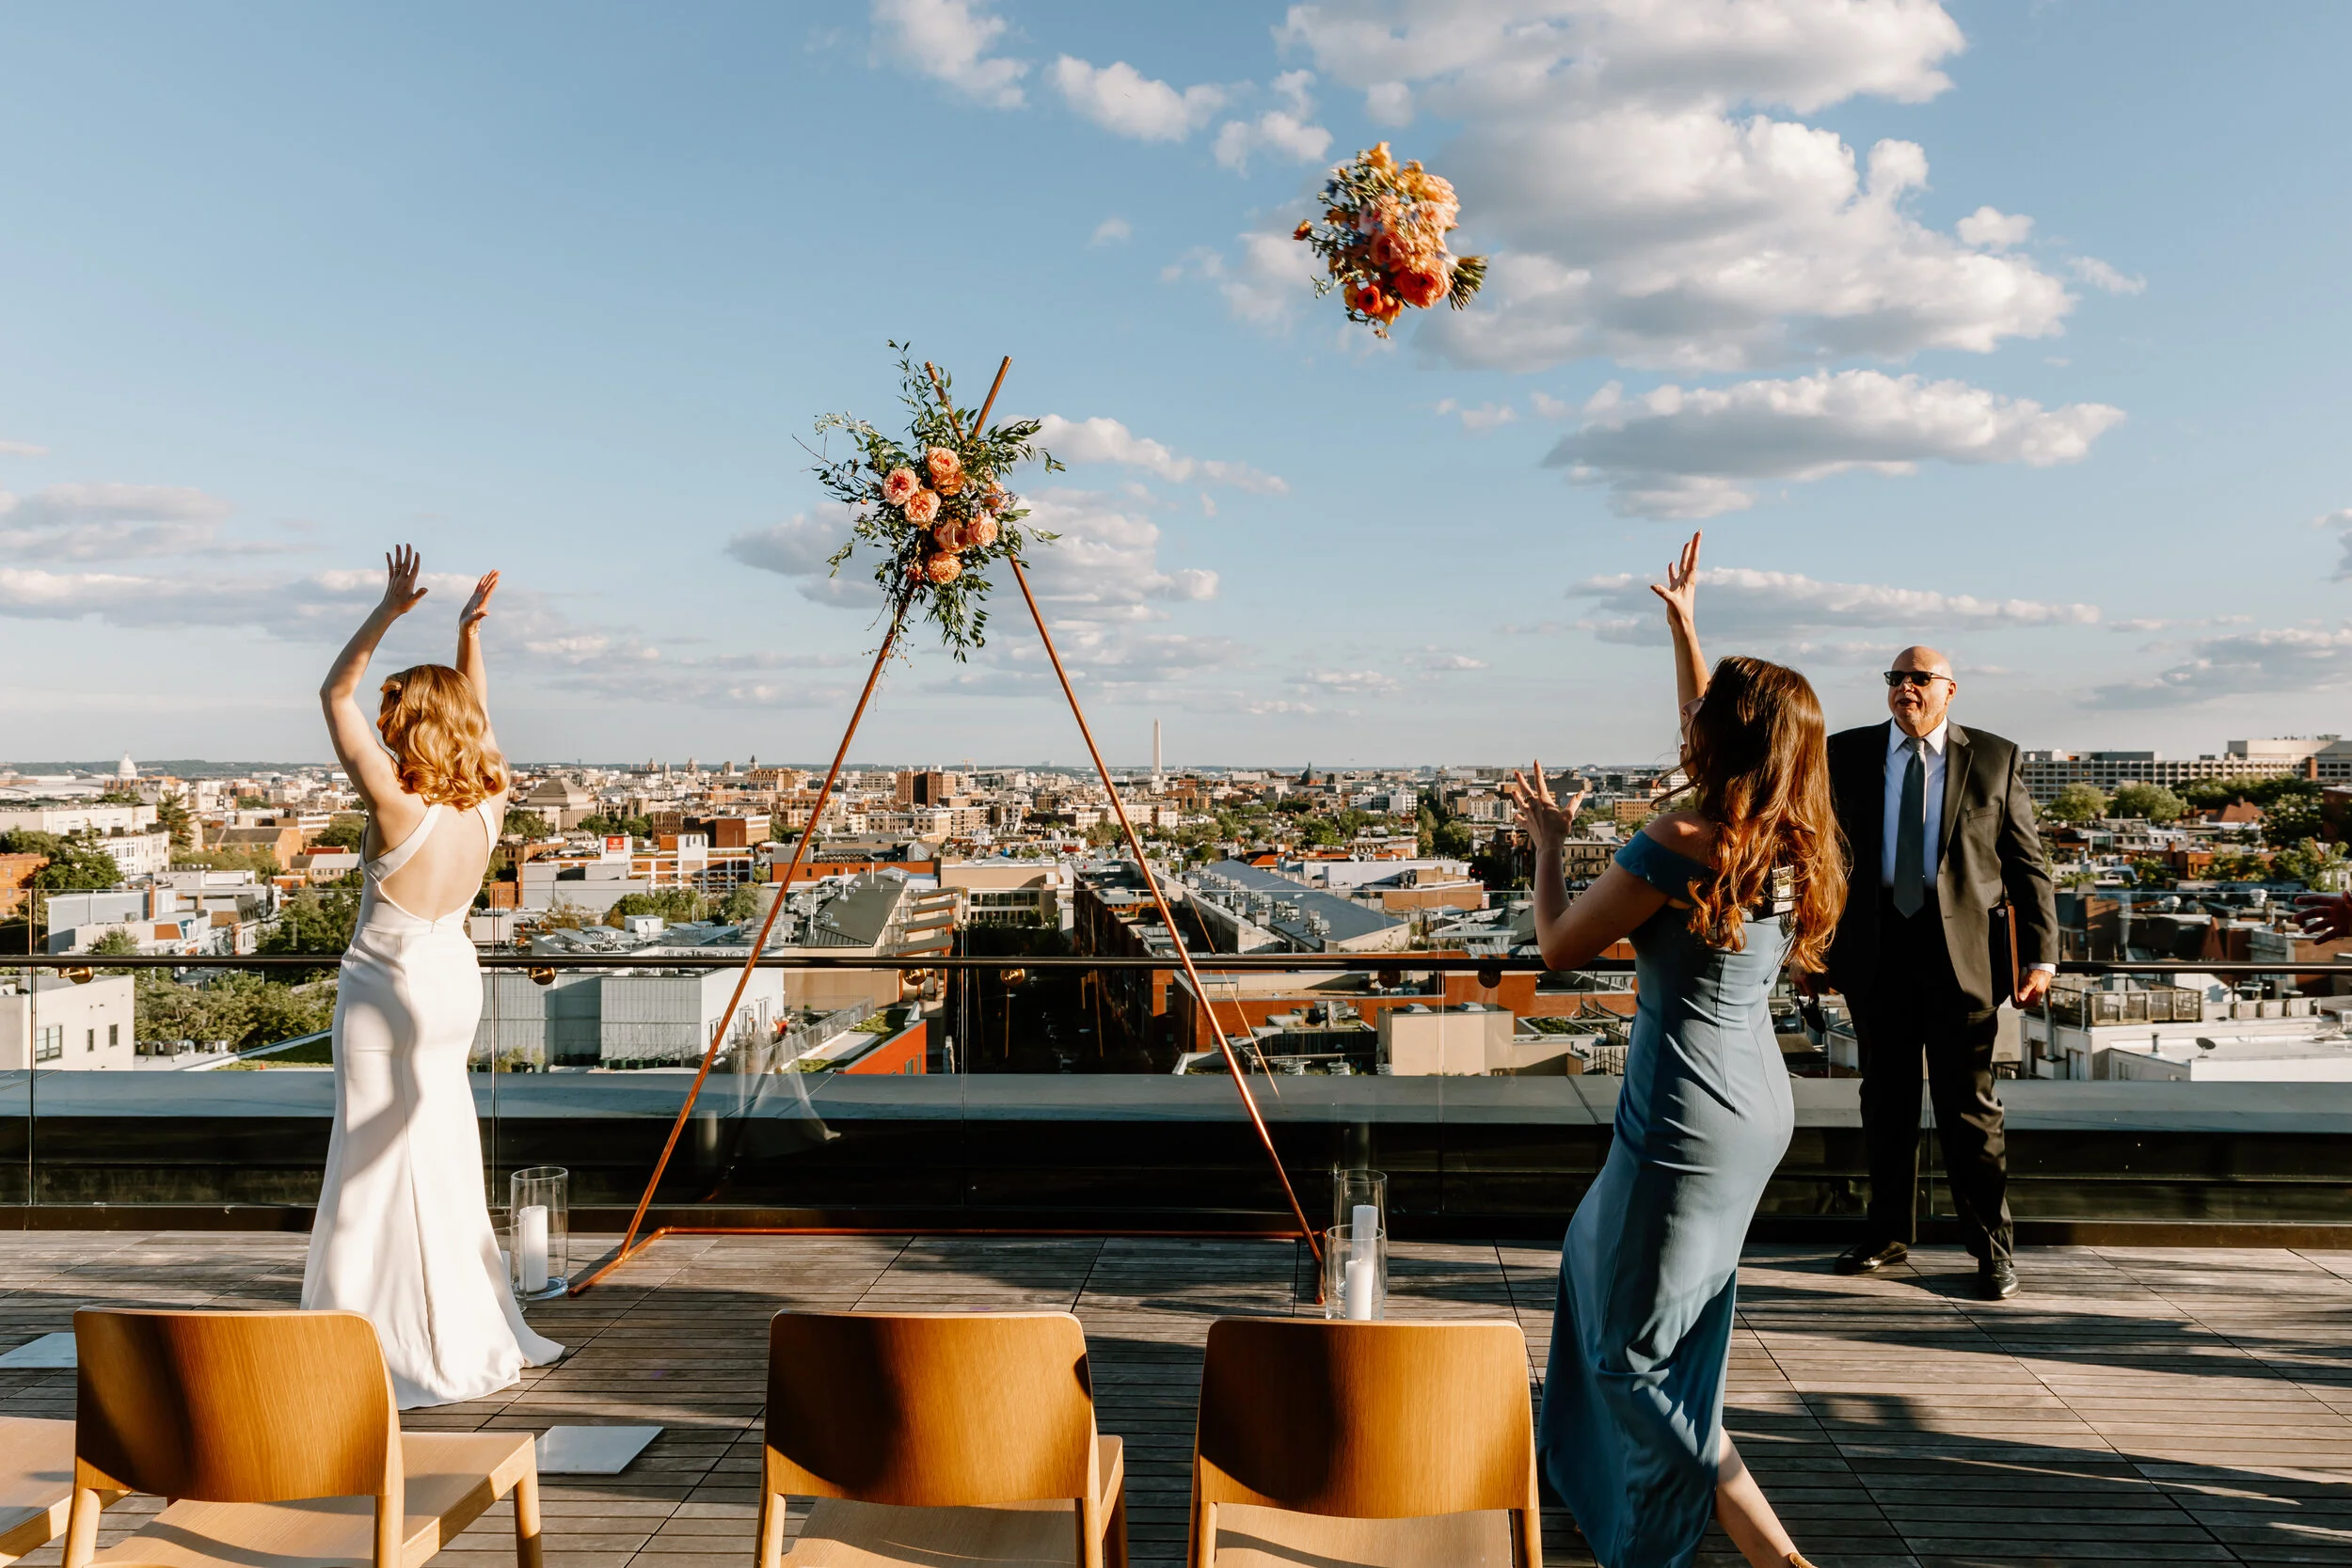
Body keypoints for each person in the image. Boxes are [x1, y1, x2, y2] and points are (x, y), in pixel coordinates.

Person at [1509, 532, 1840, 1568]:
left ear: (1724, 738)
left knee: (1631, 1361)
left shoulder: (1679, 843)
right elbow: (1712, 737)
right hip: (1754, 1102)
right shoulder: (1792, 834)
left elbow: (1560, 949)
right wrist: (1684, 627)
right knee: (1606, 1269)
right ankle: (1598, 1486)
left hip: (1682, 1114)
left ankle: (1765, 1548)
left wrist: (1552, 848)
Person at [304, 545, 563, 1407]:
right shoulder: (487, 804)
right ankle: (463, 1322)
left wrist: (386, 613)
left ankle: (369, 1336)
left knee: (369, 1164)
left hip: (386, 987)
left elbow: (334, 694)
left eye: (394, 716)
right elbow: (478, 717)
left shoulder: (397, 806)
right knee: (445, 1150)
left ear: (408, 725)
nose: (379, 723)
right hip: (454, 979)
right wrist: (466, 638)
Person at [1819, 646, 2057, 1301]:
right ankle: (1887, 1234)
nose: (1905, 689)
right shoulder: (1845, 753)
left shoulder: (1995, 757)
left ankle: (1991, 1250)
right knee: (1885, 1104)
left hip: (1965, 957)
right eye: (1895, 678)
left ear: (1951, 690)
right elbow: (1816, 854)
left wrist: (2042, 955)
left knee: (1969, 1110)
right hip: (1876, 948)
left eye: (1920, 679)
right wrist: (1811, 947)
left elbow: (2028, 864)